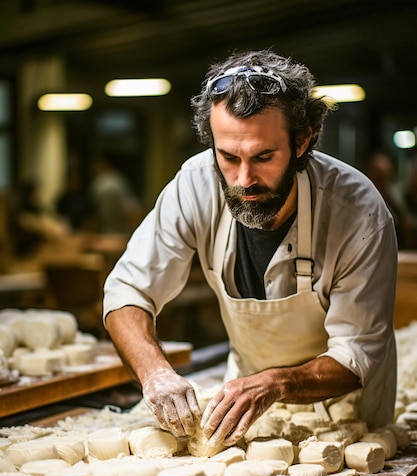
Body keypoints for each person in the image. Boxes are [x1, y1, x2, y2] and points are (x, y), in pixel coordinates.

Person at [103, 50, 398, 448]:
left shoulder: (358, 212)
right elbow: (128, 291)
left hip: (348, 419)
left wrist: (276, 382)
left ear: (301, 141)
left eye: (263, 157)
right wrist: (156, 372)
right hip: (244, 408)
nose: (244, 179)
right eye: (228, 156)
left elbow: (357, 354)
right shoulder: (195, 184)